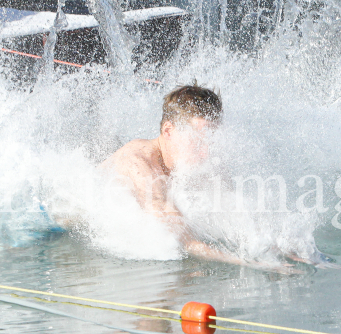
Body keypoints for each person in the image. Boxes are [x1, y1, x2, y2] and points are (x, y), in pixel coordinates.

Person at [98, 84, 250, 265]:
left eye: (211, 140)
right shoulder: (139, 163)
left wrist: (274, 247)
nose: (207, 152)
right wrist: (250, 264)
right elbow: (185, 240)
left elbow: (236, 214)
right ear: (168, 131)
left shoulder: (200, 161)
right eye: (198, 140)